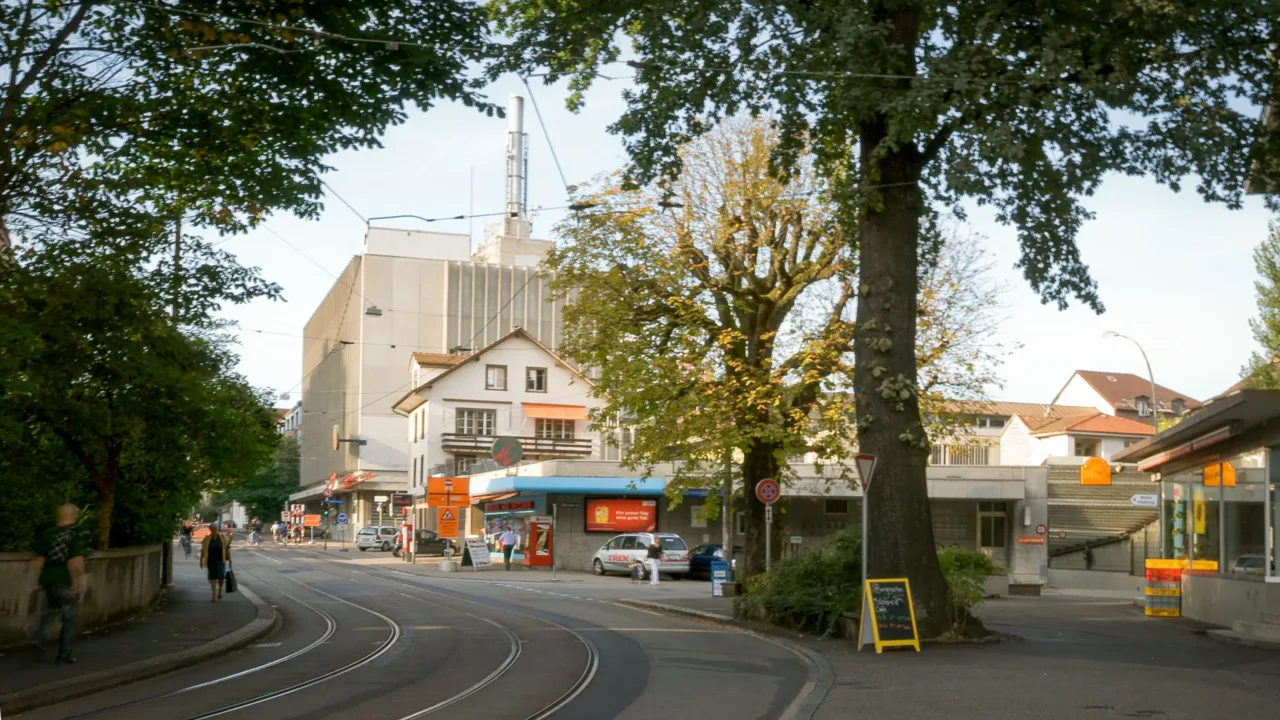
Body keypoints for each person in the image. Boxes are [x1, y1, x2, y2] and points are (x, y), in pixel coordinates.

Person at [27, 504, 88, 664]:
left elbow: (38, 560)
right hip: (64, 581)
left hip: (49, 581)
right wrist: (79, 579)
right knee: (69, 618)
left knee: (48, 611)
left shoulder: (47, 534)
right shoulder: (73, 534)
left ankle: (37, 637)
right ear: (73, 516)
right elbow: (75, 560)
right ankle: (64, 655)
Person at [200, 523, 232, 601]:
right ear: (210, 530)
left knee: (221, 578)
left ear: (217, 529)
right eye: (212, 529)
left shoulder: (223, 537)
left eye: (215, 529)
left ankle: (220, 590)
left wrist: (230, 559)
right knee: (212, 578)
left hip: (221, 560)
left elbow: (227, 548)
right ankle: (214, 594)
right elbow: (203, 550)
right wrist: (201, 560)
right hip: (211, 561)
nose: (214, 531)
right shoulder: (207, 539)